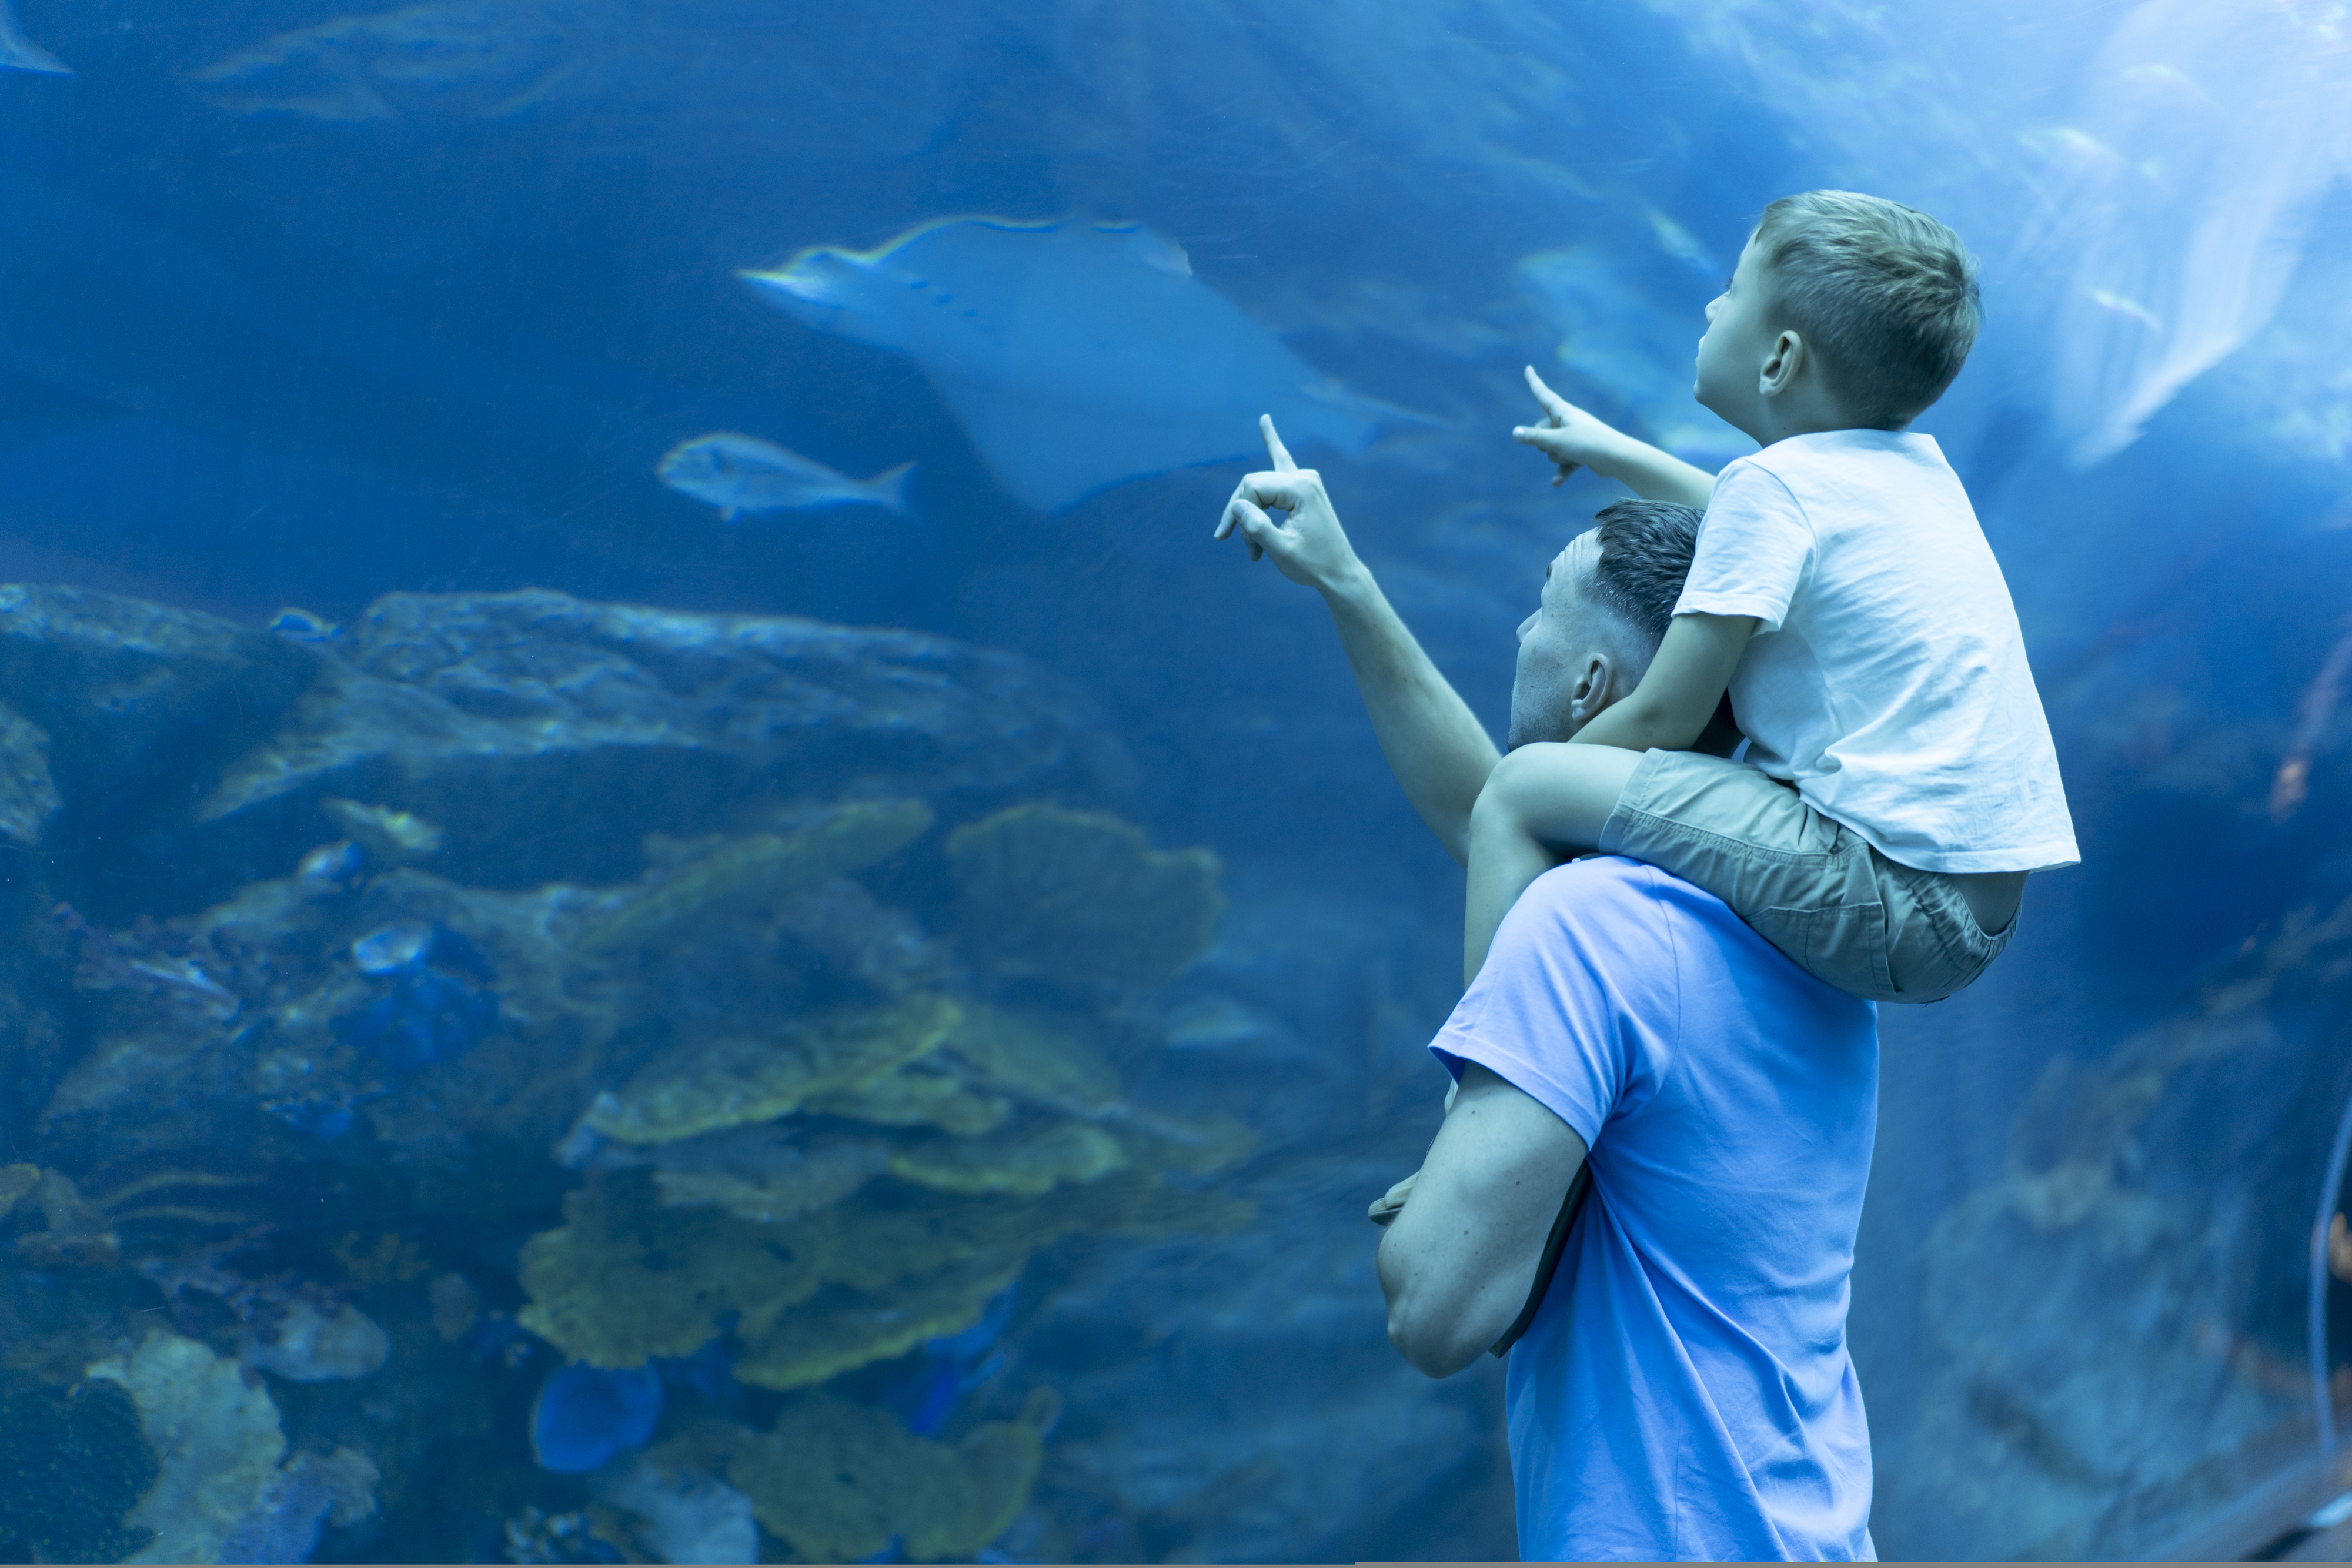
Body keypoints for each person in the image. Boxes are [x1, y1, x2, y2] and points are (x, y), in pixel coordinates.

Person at [1214, 434, 1879, 1559]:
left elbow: (1436, 1309)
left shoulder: (1589, 931)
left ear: (1591, 687)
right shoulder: (1796, 926)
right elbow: (1492, 814)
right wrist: (1348, 584)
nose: (1520, 629)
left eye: (1540, 609)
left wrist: (1454, 1144)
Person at [1468, 190, 2077, 1002]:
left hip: (1889, 896)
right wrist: (1614, 451)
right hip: (1974, 915)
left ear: (1780, 359)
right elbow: (1739, 525)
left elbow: (1663, 719)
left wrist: (1554, 779)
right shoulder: (1908, 477)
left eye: (1733, 290)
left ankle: (1488, 1058)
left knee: (1520, 790)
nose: (1714, 305)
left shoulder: (1776, 489)